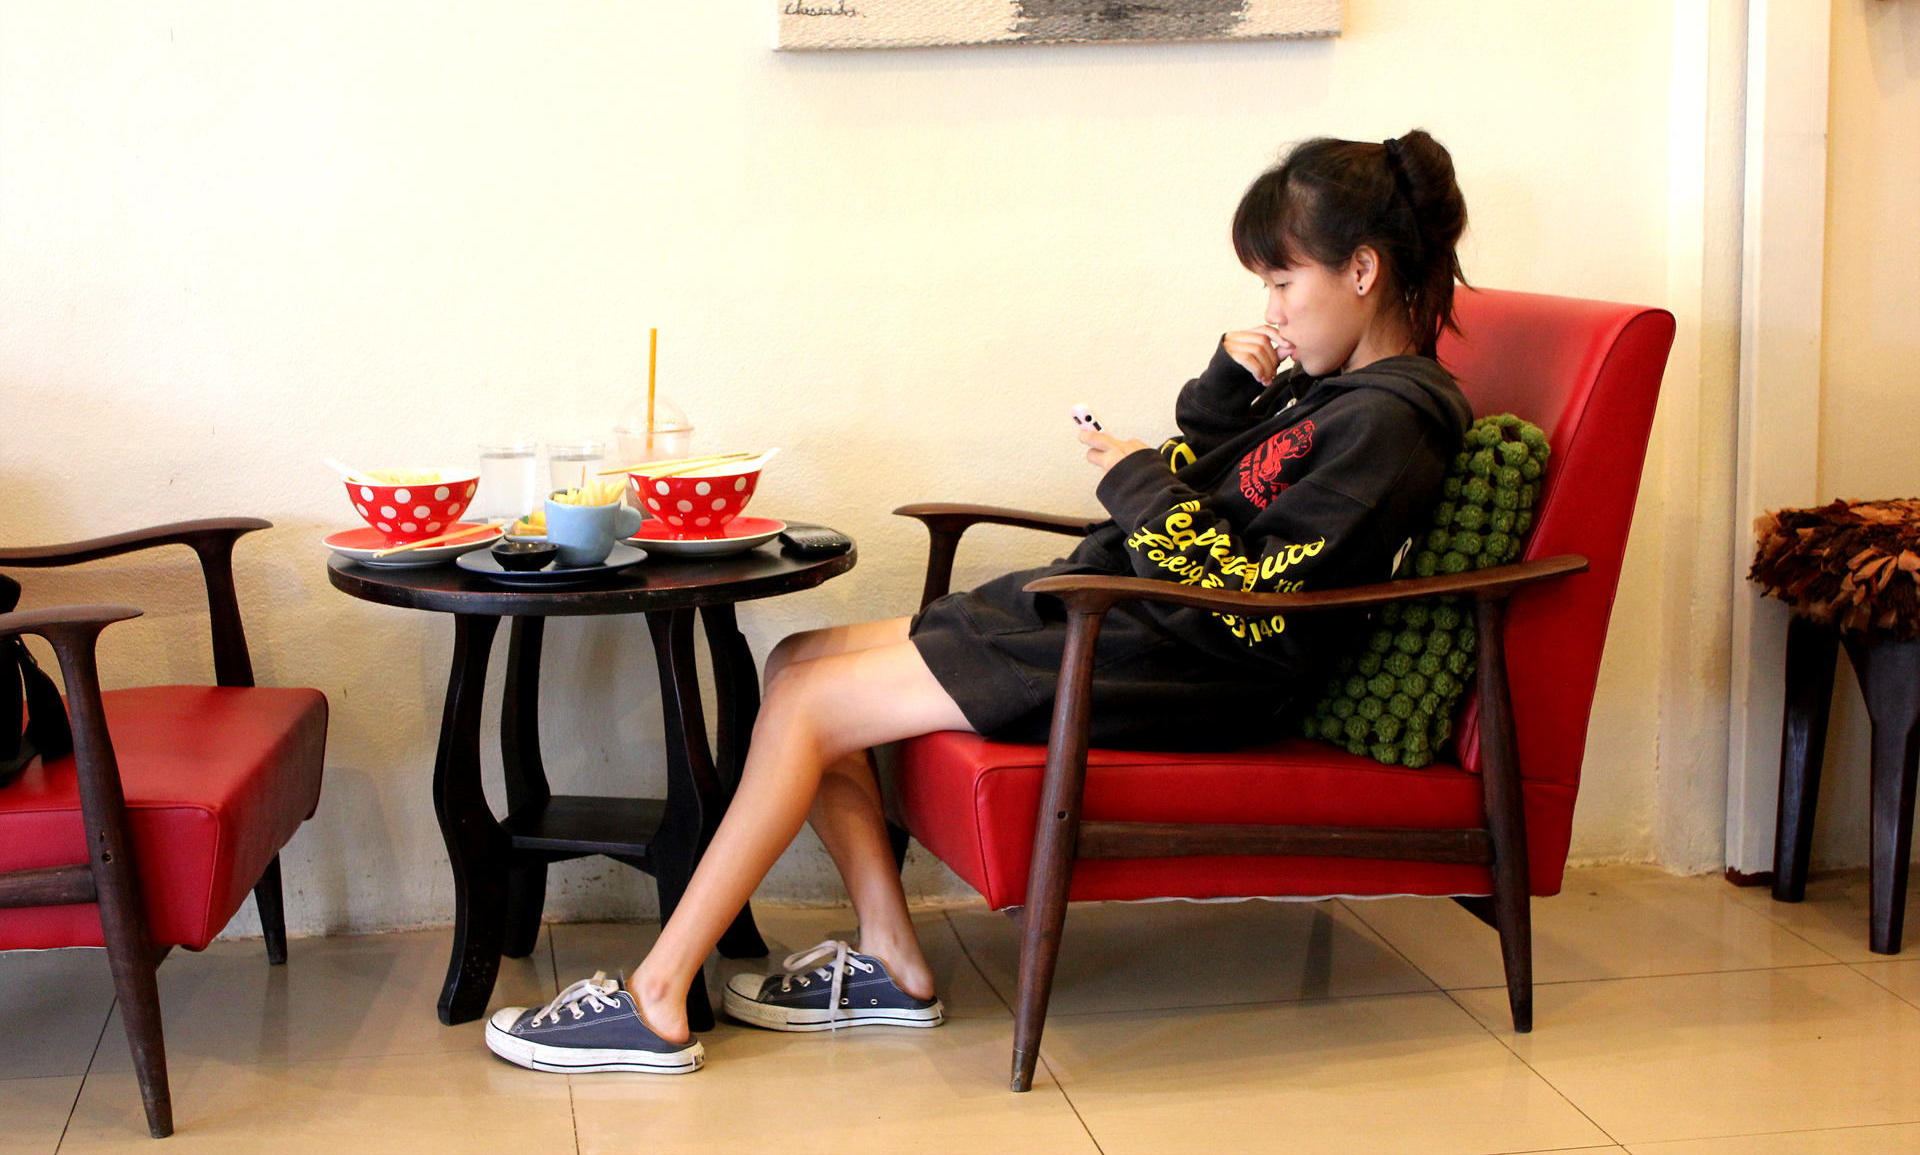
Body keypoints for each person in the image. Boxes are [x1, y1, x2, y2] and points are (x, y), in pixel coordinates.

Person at [483, 131, 1476, 1075]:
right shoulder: (1332, 392)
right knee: (796, 660)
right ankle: (892, 960)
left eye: (1281, 281)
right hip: (1126, 617)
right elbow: (1218, 488)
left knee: (809, 705)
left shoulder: (1392, 422)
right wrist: (1226, 388)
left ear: (1361, 269)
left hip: (1181, 662)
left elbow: (1254, 601)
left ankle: (657, 996)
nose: (1271, 309)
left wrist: (1133, 478)